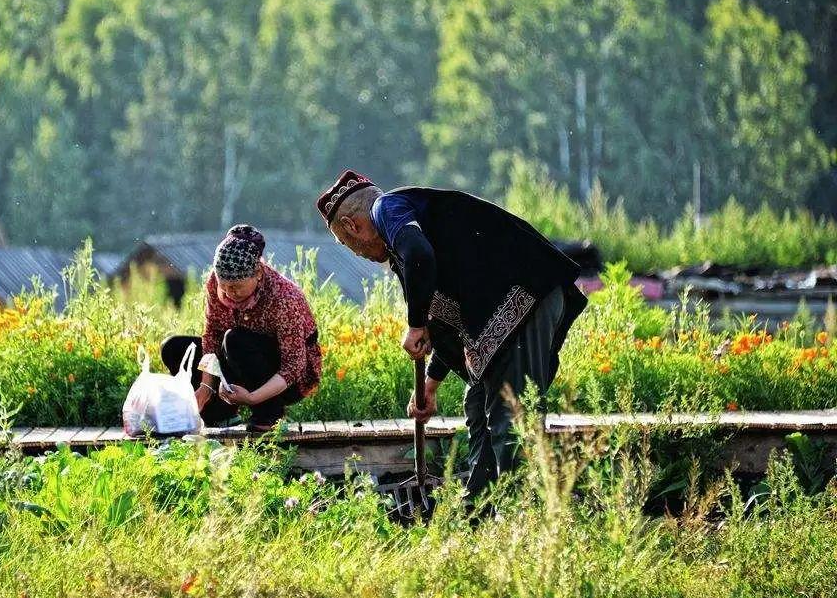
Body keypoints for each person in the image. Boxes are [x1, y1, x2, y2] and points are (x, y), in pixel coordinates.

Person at [317, 170, 587, 496]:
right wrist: (430, 384)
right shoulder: (399, 244)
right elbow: (441, 322)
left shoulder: (386, 209)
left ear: (351, 226)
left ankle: (522, 516)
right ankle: (479, 510)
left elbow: (420, 259)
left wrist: (414, 324)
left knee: (511, 413)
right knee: (478, 405)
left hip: (524, 296)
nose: (354, 251)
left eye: (346, 243)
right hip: (502, 310)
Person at [160, 225, 321, 431]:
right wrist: (206, 386)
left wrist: (252, 398)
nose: (228, 293)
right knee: (174, 348)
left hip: (287, 378)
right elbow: (212, 336)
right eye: (224, 286)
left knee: (235, 339)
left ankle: (269, 414)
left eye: (236, 287)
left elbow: (293, 366)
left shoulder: (284, 298)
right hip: (237, 357)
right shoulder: (215, 284)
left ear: (258, 273)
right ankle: (219, 413)